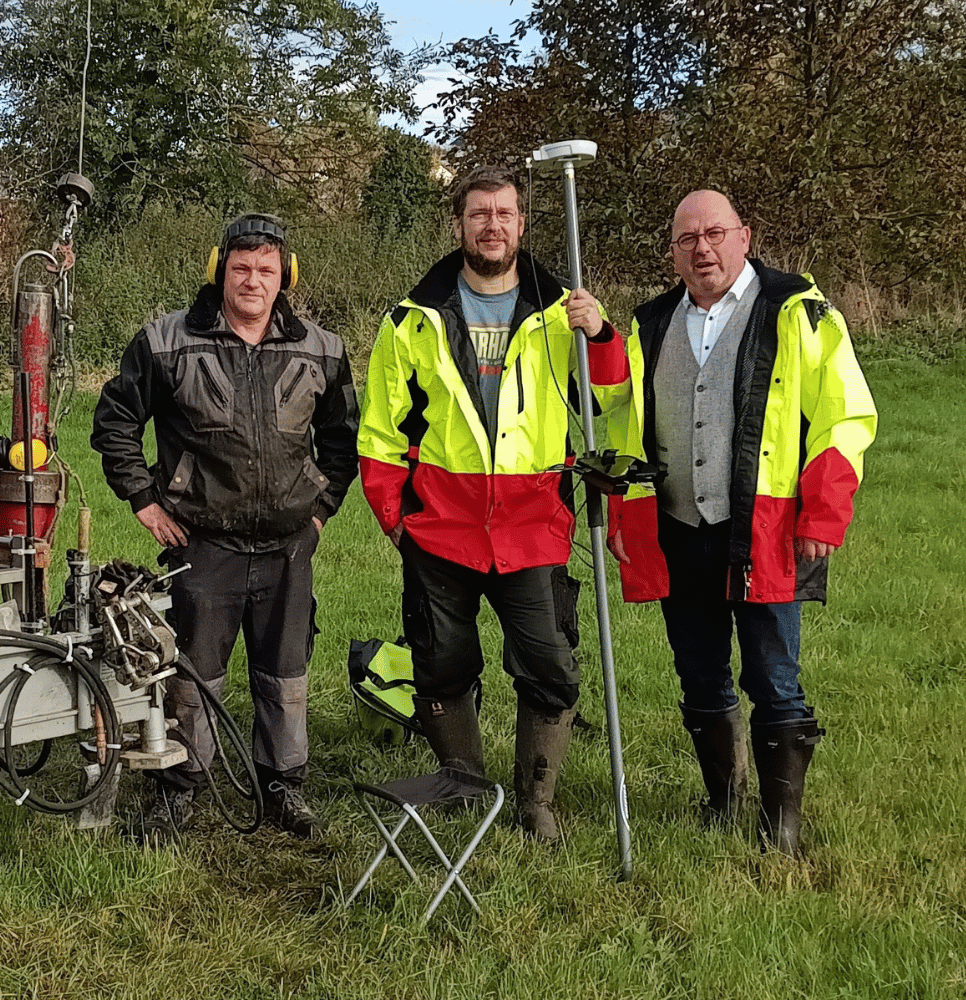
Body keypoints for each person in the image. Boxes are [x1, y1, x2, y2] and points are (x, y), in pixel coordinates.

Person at [572, 190, 878, 855]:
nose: (702, 249)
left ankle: (781, 825)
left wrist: (824, 511)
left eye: (715, 234)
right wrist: (625, 508)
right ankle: (722, 798)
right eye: (687, 239)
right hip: (679, 528)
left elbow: (844, 417)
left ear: (744, 236)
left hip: (766, 530)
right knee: (699, 672)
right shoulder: (650, 323)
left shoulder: (799, 313)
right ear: (673, 250)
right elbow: (624, 417)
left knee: (774, 676)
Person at [357, 166, 634, 840]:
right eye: (479, 214)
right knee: (441, 665)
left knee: (549, 665)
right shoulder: (411, 320)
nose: (491, 226)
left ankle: (535, 804)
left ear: (522, 222)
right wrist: (396, 518)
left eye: (504, 214)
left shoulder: (563, 314)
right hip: (440, 528)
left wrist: (600, 337)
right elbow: (379, 433)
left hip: (531, 527)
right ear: (458, 224)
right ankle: (462, 785)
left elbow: (613, 402)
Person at [92, 213, 358, 842]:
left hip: (289, 547)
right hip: (201, 542)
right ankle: (180, 788)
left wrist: (319, 512)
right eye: (241, 267)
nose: (253, 280)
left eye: (267, 270)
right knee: (191, 674)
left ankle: (283, 785)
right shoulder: (165, 341)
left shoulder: (322, 347)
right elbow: (115, 424)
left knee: (286, 675)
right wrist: (144, 500)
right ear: (220, 270)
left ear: (284, 276)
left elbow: (345, 442)